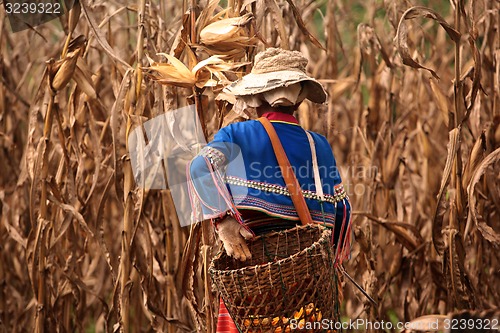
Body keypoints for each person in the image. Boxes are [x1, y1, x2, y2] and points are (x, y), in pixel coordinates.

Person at [187, 48, 351, 333]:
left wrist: (223, 221)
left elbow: (199, 168)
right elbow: (343, 210)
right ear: (300, 98)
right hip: (307, 291)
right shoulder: (319, 145)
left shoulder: (237, 135)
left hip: (253, 285)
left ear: (256, 96)